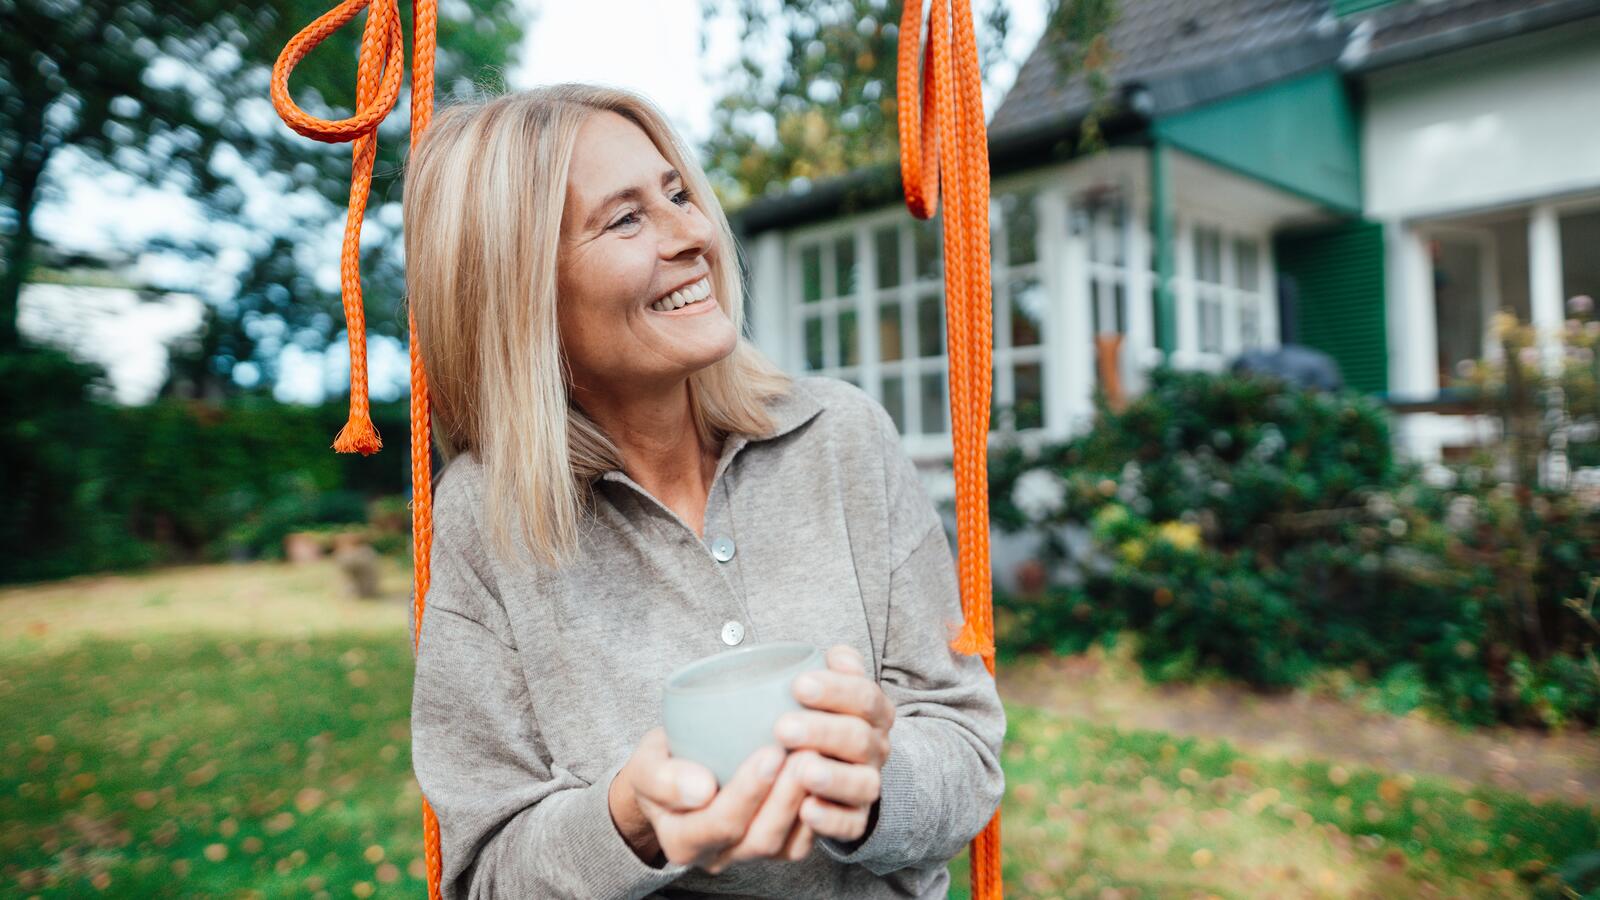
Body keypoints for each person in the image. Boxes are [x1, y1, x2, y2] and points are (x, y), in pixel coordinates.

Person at [402, 83, 1005, 899]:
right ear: (521, 292)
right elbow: (487, 876)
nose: (694, 234)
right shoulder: (485, 516)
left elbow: (967, 750)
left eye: (679, 193)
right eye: (626, 218)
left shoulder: (842, 437)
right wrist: (627, 821)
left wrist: (874, 785)